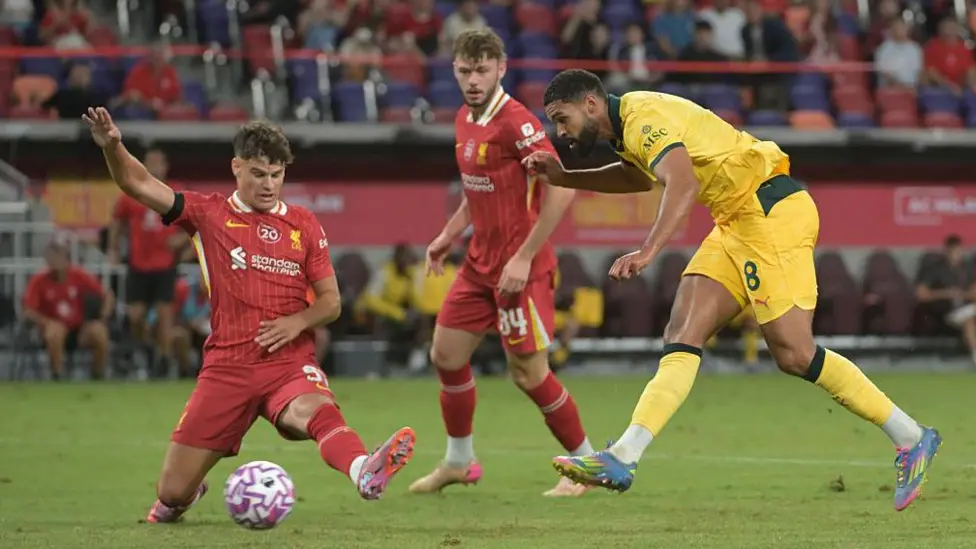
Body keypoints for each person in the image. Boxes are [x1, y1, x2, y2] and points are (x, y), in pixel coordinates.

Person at [528, 69, 940, 512]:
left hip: (770, 212)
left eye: (562, 118)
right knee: (682, 330)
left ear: (590, 104)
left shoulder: (643, 117)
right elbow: (638, 178)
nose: (560, 131)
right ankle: (623, 457)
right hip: (735, 221)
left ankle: (911, 437)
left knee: (795, 354)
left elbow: (681, 183)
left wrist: (648, 251)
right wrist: (564, 176)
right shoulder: (626, 129)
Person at [82, 107, 415, 524]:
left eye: (277, 174)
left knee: (313, 411)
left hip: (287, 362)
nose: (269, 184)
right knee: (170, 493)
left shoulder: (304, 224)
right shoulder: (208, 215)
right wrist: (113, 146)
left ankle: (363, 470)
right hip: (228, 367)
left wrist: (296, 323)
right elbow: (136, 181)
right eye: (259, 173)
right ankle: (188, 490)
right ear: (236, 167)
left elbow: (331, 303)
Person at [408, 29, 593, 498]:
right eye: (466, 70)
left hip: (521, 270)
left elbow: (563, 187)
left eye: (483, 70)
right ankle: (458, 461)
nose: (474, 80)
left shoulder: (517, 122)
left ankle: (587, 467)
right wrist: (447, 236)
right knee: (445, 356)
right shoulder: (463, 120)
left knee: (529, 374)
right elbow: (478, 188)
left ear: (501, 68)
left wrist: (525, 257)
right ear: (454, 70)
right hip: (478, 265)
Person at [109, 147, 185, 378]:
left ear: (165, 165)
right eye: (149, 162)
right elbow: (117, 223)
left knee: (164, 315)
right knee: (135, 317)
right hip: (138, 264)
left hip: (165, 263)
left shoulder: (176, 192)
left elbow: (193, 225)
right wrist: (113, 249)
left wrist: (180, 240)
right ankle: (149, 349)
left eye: (157, 162)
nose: (153, 166)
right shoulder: (132, 190)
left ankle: (162, 360)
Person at [22, 241, 114, 380]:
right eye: (50, 259)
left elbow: (107, 295)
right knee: (55, 332)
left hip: (79, 329)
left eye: (57, 258)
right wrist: (47, 323)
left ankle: (98, 375)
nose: (54, 263)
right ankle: (57, 375)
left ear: (66, 259)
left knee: (99, 331)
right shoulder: (38, 280)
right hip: (52, 328)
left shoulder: (78, 275)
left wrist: (102, 317)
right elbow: (28, 310)